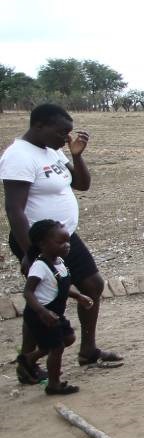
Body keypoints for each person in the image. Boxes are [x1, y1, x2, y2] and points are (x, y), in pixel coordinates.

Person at [1, 103, 123, 383]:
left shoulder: (52, 150)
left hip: (64, 236)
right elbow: (14, 209)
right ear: (39, 126)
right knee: (43, 301)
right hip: (39, 242)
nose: (65, 138)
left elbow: (82, 184)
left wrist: (76, 156)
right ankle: (28, 362)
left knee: (92, 284)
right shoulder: (18, 156)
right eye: (61, 133)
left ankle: (88, 351)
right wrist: (30, 253)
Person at [20, 220, 93, 395]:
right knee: (56, 347)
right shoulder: (40, 266)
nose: (67, 246)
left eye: (67, 241)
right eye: (60, 242)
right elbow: (28, 292)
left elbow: (61, 286)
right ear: (43, 244)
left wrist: (79, 296)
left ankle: (28, 360)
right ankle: (54, 384)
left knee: (68, 338)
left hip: (54, 313)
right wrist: (42, 312)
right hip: (41, 314)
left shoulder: (59, 262)